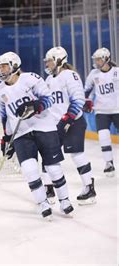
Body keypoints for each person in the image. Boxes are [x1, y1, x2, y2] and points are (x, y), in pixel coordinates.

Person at [0, 51, 74, 220]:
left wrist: (35, 106)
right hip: (21, 134)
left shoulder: (31, 79)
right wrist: (7, 139)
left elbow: (49, 98)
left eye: (4, 66)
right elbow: (5, 118)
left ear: (15, 65)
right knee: (29, 170)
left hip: (44, 127)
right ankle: (42, 203)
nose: (1, 70)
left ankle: (64, 200)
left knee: (52, 168)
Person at [42, 46, 96, 205]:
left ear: (59, 60)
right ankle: (49, 189)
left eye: (50, 61)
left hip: (73, 122)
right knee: (48, 155)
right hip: (54, 123)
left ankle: (89, 188)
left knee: (77, 154)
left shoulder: (70, 75)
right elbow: (48, 101)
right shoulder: (50, 79)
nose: (47, 65)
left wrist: (67, 119)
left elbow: (78, 100)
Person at [84, 47, 118, 177]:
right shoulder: (94, 74)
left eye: (99, 59)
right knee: (103, 136)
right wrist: (87, 101)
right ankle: (109, 163)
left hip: (117, 109)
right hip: (101, 110)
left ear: (106, 59)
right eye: (96, 59)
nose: (97, 62)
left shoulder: (117, 72)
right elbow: (86, 90)